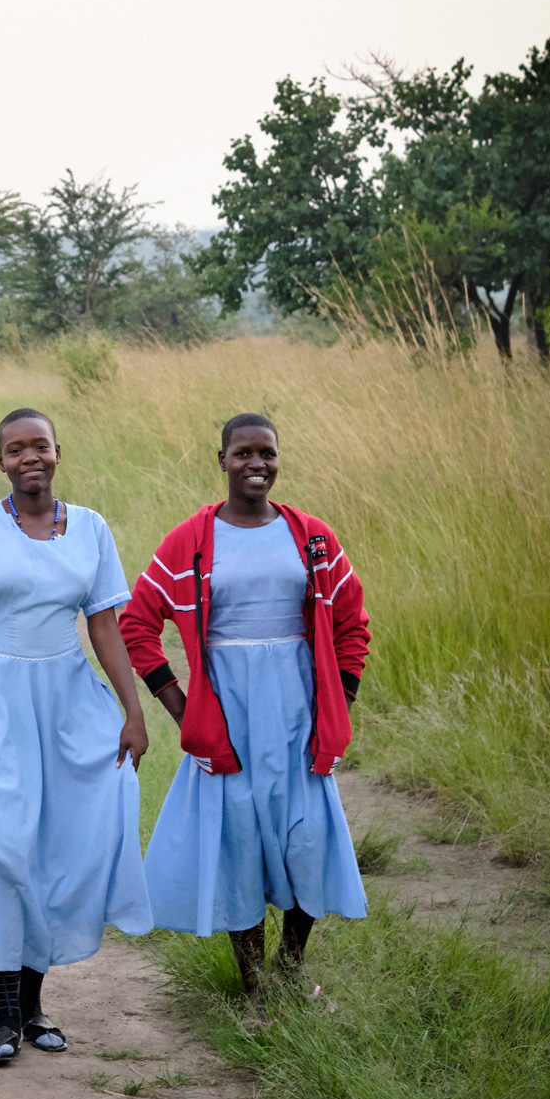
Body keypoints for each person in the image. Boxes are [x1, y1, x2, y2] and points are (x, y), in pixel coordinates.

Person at [0, 409, 152, 1066]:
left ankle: (34, 1008)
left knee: (54, 851)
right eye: (15, 448)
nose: (29, 456)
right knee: (1, 850)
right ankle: (1, 1014)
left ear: (57, 452)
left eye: (39, 445)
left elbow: (103, 625)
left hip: (67, 703)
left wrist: (130, 713)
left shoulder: (91, 527)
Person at [121, 413, 370, 1008]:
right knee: (238, 842)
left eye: (267, 453)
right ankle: (255, 986)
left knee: (307, 837)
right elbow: (137, 623)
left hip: (299, 714)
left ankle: (291, 965)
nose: (257, 464)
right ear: (222, 460)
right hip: (226, 716)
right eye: (243, 454)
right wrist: (185, 712)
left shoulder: (311, 536)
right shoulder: (192, 539)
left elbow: (351, 623)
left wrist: (339, 699)